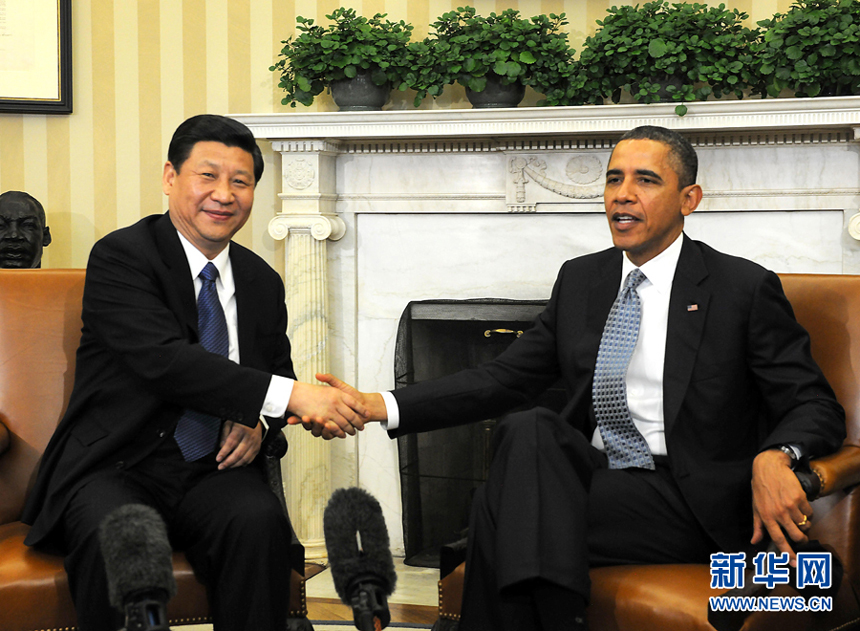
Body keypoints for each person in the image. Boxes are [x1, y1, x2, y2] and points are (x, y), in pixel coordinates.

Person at [295, 126, 846, 630]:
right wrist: (375, 404)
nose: (622, 194)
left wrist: (777, 455)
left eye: (645, 180)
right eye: (613, 179)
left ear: (688, 199)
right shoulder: (583, 280)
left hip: (687, 498)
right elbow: (505, 378)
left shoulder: (740, 288)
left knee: (498, 509)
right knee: (530, 427)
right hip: (598, 477)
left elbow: (814, 405)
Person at [21, 114, 368, 631]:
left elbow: (275, 374)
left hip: (213, 469)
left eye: (241, 181)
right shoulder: (122, 257)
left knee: (259, 523)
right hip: (115, 465)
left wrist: (259, 421)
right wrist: (285, 398)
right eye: (208, 176)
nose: (223, 195)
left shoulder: (261, 280)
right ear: (170, 178)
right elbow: (164, 361)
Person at [0, 190, 52, 268]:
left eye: (28, 225)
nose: (14, 236)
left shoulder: (72, 280)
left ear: (45, 236)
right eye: (1, 226)